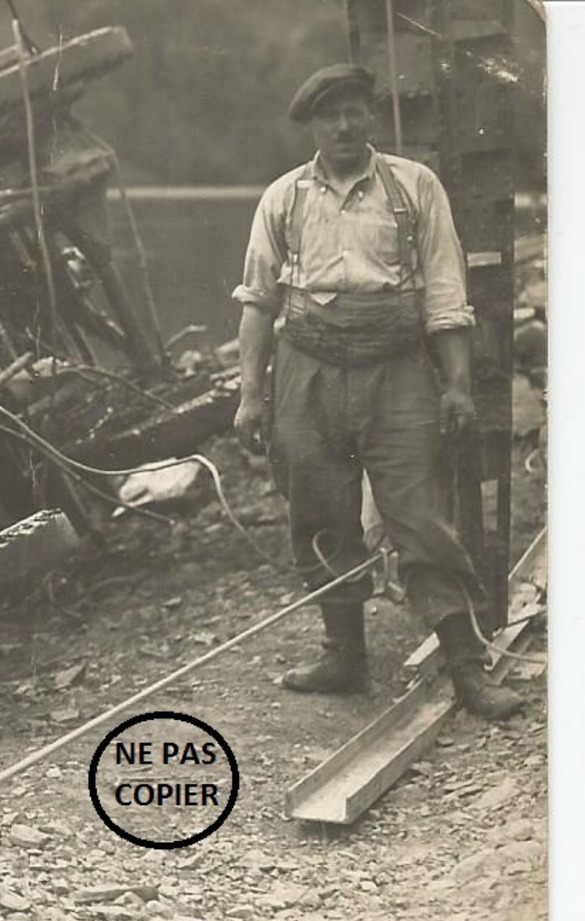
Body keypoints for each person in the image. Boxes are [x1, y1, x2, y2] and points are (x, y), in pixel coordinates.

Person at [232, 65, 522, 720]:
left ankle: (467, 667)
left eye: (354, 112)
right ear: (310, 125)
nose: (342, 126)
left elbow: (447, 295)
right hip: (305, 372)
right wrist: (251, 395)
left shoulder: (414, 188)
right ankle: (343, 654)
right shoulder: (284, 197)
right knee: (317, 510)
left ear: (371, 118)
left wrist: (454, 385)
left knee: (418, 517)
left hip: (397, 371)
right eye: (328, 116)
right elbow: (256, 302)